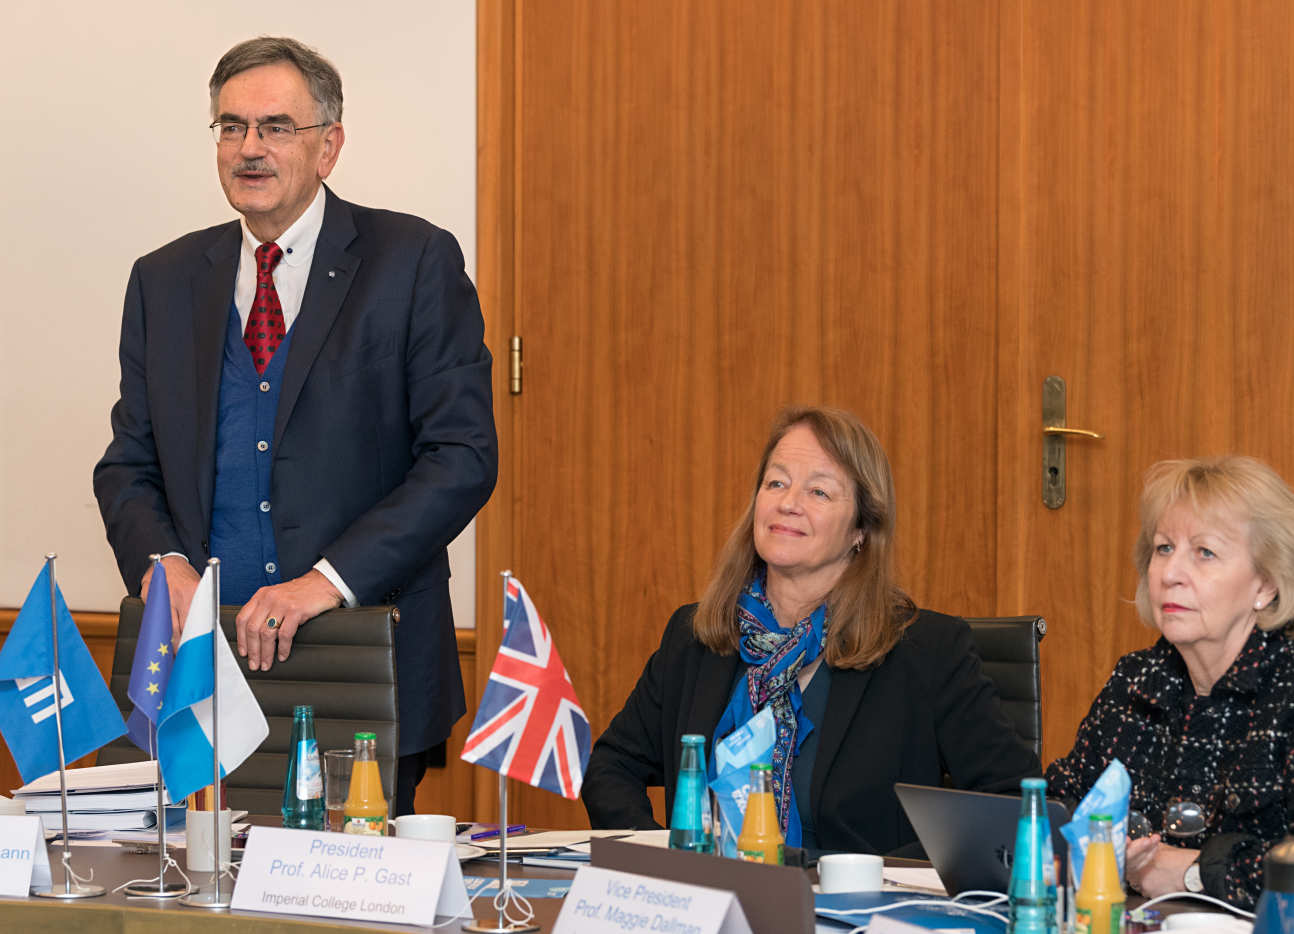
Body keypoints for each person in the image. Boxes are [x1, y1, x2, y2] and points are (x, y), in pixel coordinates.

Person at [93, 37, 497, 815]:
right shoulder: (163, 280)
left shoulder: (412, 260)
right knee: (192, 882)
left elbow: (462, 455)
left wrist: (327, 581)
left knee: (351, 880)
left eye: (276, 126)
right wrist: (162, 558)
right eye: (231, 126)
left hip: (358, 659)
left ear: (329, 146)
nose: (250, 147)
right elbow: (127, 463)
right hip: (201, 671)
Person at [581, 406, 1038, 853]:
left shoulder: (929, 651)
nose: (788, 503)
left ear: (861, 528)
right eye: (776, 483)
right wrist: (664, 861)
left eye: (819, 492)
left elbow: (1014, 804)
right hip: (711, 896)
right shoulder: (695, 636)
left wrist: (891, 876)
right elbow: (610, 767)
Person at [1046, 456, 1294, 908]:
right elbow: (1060, 805)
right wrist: (1097, 852)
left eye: (1205, 552)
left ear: (1266, 585)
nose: (1171, 573)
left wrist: (1195, 873)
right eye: (1163, 548)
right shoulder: (1137, 678)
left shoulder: (1286, 693)